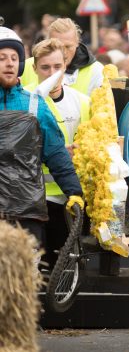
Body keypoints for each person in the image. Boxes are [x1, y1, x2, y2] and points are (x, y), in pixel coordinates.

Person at [0, 24, 83, 247]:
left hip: (26, 213)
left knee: (29, 278)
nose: (9, 63)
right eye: (2, 58)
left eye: (14, 58)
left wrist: (74, 191)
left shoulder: (34, 104)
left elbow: (55, 153)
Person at [25, 39, 90, 264]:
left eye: (57, 67)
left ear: (66, 66)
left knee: (62, 266)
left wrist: (81, 151)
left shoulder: (82, 101)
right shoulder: (26, 100)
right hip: (34, 197)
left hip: (68, 197)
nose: (51, 73)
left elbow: (93, 145)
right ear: (34, 69)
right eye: (45, 68)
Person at [21, 18, 104, 96]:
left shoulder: (96, 71)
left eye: (68, 47)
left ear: (77, 43)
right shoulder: (27, 66)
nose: (63, 52)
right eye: (57, 45)